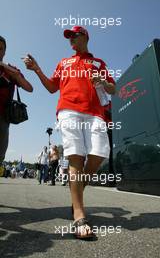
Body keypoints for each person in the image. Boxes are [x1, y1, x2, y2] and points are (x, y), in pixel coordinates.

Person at [23, 26, 116, 238]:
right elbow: (51, 87)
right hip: (68, 110)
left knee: (99, 154)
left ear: (85, 37)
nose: (71, 40)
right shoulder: (63, 63)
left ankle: (76, 193)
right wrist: (37, 68)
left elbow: (113, 89)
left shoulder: (98, 62)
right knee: (76, 157)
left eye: (74, 35)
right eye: (69, 37)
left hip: (95, 113)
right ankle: (79, 215)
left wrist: (102, 81)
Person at [0, 35, 33, 165]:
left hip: (2, 117)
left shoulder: (10, 69)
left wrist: (15, 74)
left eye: (1, 48)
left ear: (4, 51)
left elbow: (29, 88)